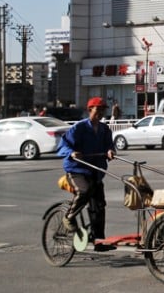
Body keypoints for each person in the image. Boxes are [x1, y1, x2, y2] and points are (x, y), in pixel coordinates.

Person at [58, 97, 116, 252]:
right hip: (76, 169)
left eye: (103, 110)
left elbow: (109, 145)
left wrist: (110, 151)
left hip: (95, 171)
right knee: (84, 190)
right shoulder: (79, 128)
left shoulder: (104, 129)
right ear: (90, 110)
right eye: (98, 109)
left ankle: (98, 241)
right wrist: (71, 153)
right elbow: (63, 145)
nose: (100, 113)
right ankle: (68, 217)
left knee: (99, 206)